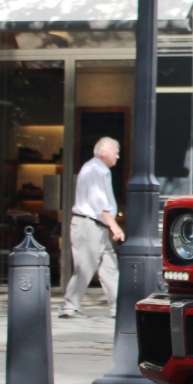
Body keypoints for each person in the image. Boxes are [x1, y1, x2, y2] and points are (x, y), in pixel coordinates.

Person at [61, 137, 124, 319]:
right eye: (115, 152)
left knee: (110, 267)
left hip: (98, 225)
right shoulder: (94, 170)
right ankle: (69, 307)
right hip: (89, 224)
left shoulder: (99, 170)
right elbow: (98, 203)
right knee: (85, 266)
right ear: (103, 152)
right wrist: (115, 227)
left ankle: (118, 307)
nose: (118, 156)